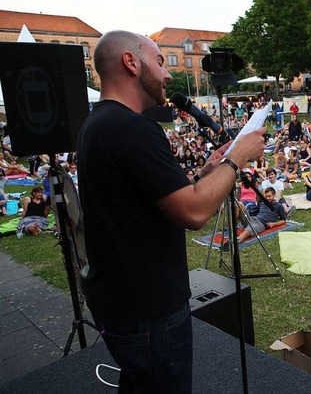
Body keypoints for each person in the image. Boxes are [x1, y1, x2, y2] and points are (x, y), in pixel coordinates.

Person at [77, 31, 266, 393]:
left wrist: (207, 173)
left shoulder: (99, 125)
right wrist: (238, 157)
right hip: (150, 310)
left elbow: (155, 200)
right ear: (131, 63)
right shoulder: (133, 128)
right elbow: (194, 213)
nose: (167, 75)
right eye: (160, 62)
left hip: (122, 303)